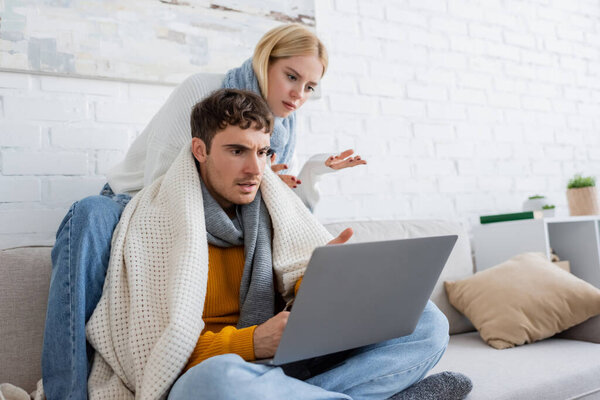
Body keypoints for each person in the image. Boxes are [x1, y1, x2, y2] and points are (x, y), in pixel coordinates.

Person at [41, 24, 365, 400]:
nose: (299, 95)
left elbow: (281, 211)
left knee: (425, 326)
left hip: (223, 207)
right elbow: (164, 180)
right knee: (89, 213)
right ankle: (65, 394)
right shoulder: (203, 89)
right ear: (264, 62)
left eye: (310, 87)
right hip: (141, 198)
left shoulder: (283, 124)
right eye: (291, 77)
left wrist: (323, 272)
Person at [85, 89, 471, 400]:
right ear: (200, 150)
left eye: (263, 151)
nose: (256, 169)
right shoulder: (155, 224)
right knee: (216, 381)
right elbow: (155, 355)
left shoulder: (273, 207)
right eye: (237, 151)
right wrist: (252, 341)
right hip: (218, 372)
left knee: (427, 323)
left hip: (282, 369)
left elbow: (298, 302)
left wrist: (324, 282)